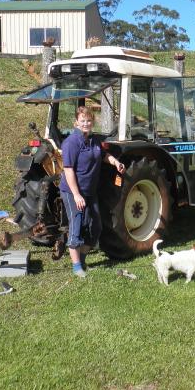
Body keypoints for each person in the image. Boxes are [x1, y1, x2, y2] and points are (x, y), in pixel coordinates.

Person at [59, 106, 125, 278]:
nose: (86, 123)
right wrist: (76, 194)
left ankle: (82, 260)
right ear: (76, 123)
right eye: (83, 121)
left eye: (89, 120)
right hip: (73, 191)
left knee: (96, 227)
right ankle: (76, 267)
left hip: (89, 191)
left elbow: (103, 155)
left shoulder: (94, 140)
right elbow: (68, 170)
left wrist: (115, 162)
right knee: (76, 226)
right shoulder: (71, 143)